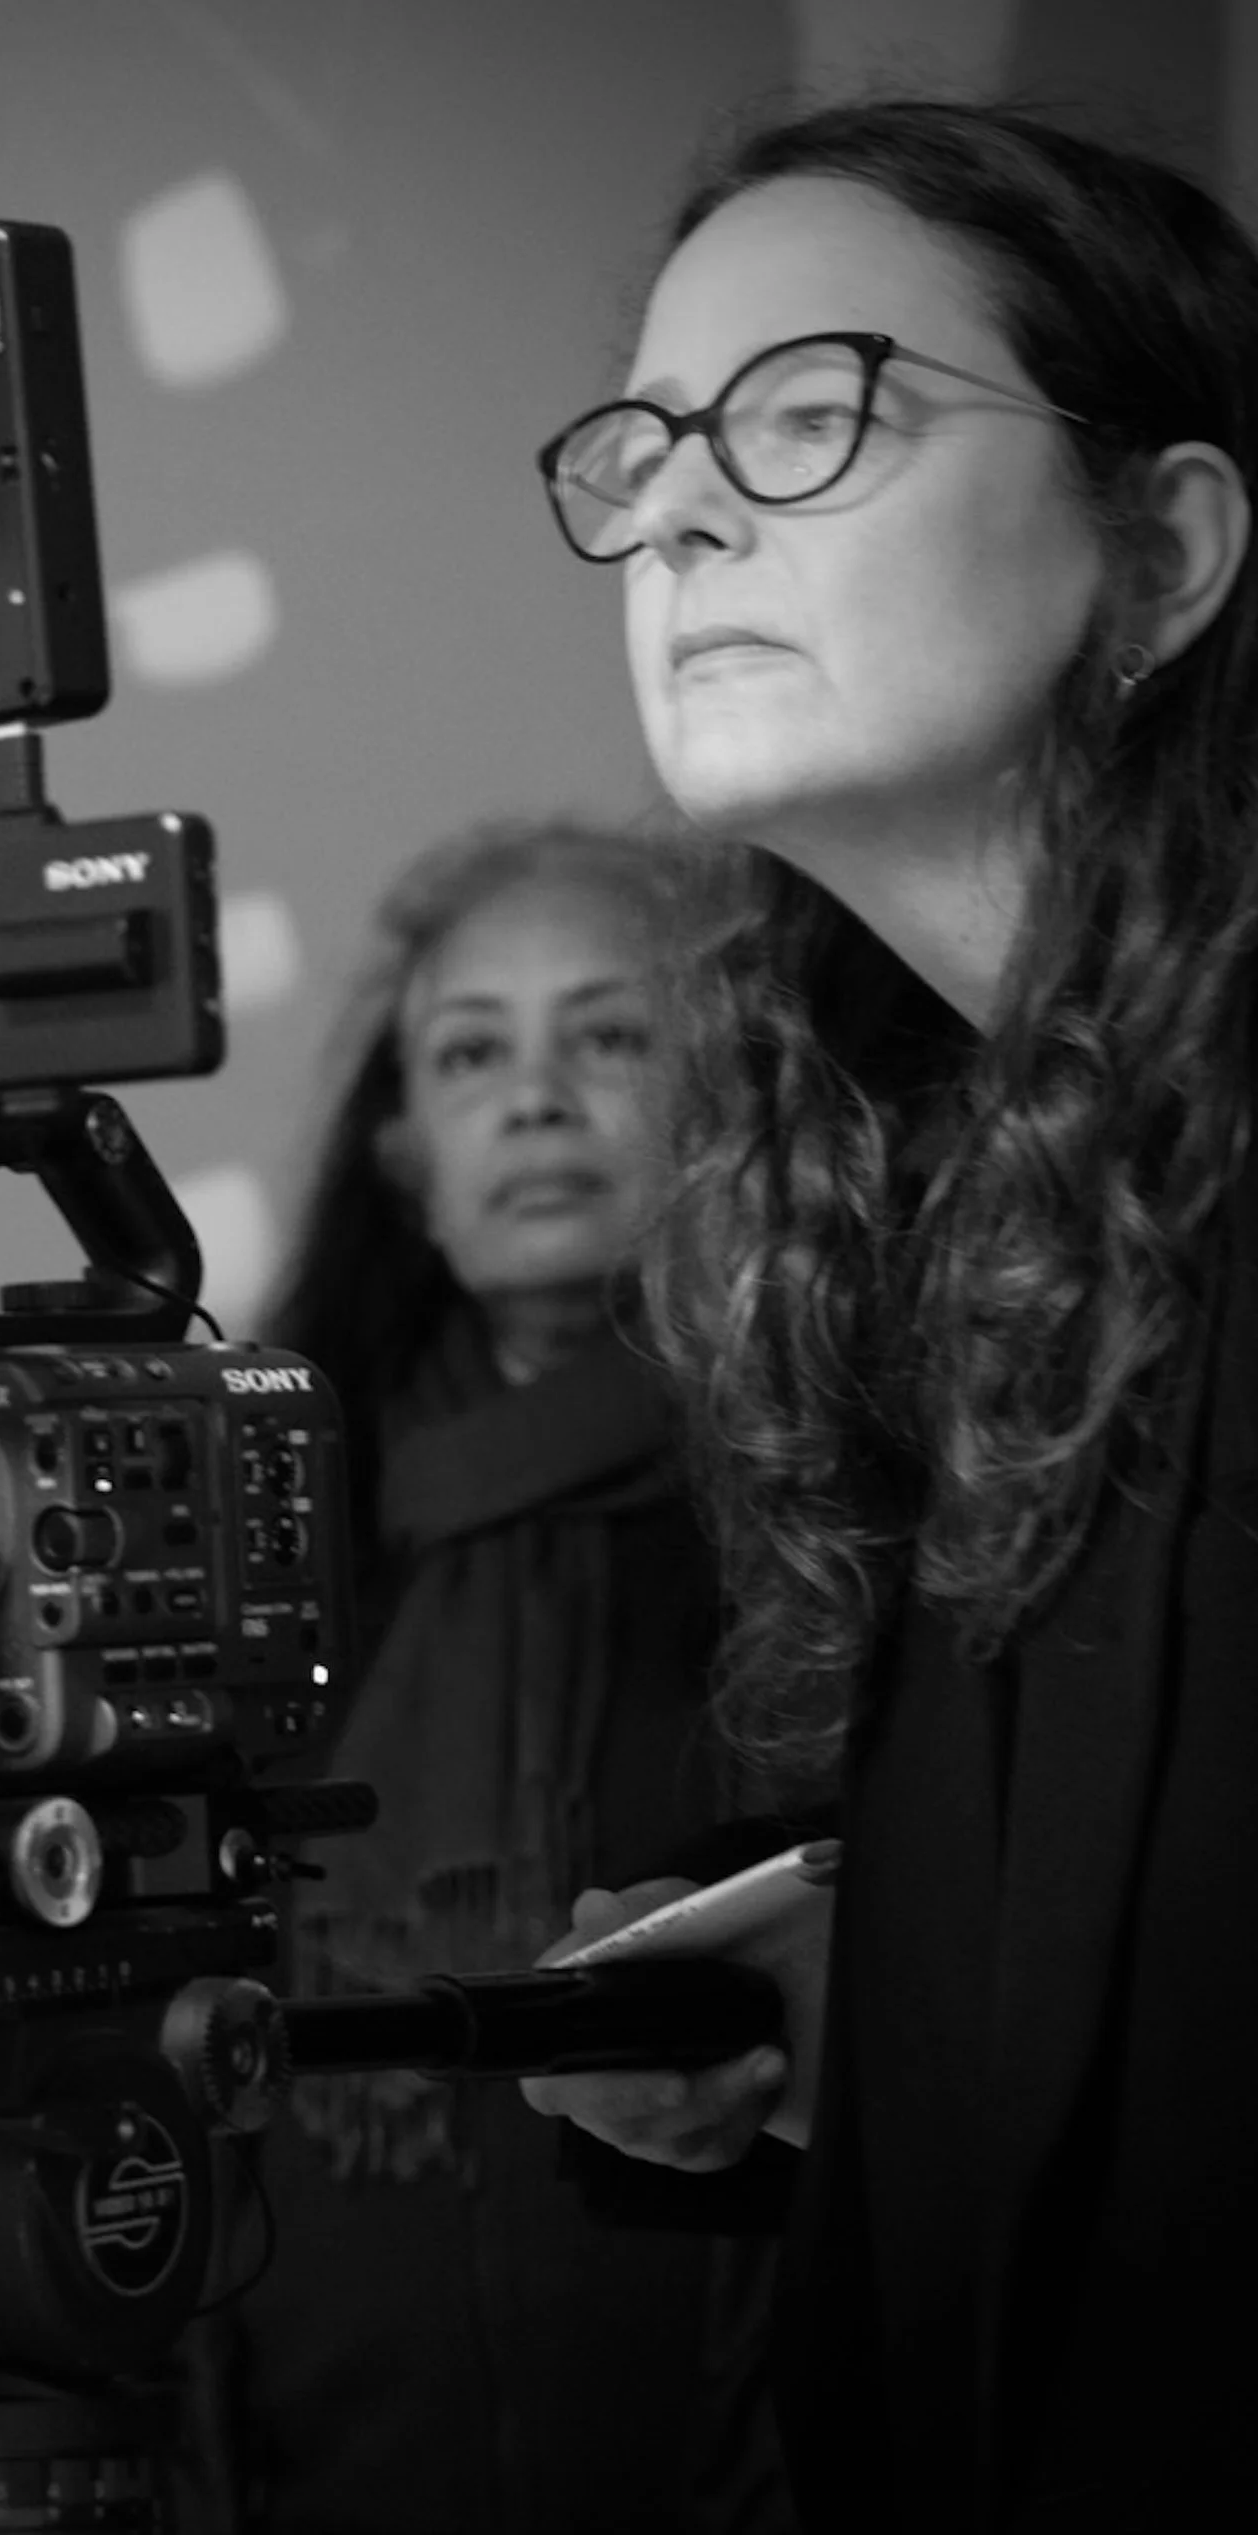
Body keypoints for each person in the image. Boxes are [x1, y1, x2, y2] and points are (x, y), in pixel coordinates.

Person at [518, 96, 1258, 2530]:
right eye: (639, 451)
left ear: (1155, 545)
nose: (679, 514)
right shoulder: (930, 1224)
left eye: (807, 412)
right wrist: (848, 2022)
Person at [168, 822, 800, 2535]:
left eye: (609, 1035)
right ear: (407, 1155)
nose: (536, 1097)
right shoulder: (255, 1555)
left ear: (737, 1090)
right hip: (320, 2464)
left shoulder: (845, 1520)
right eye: (472, 1052)